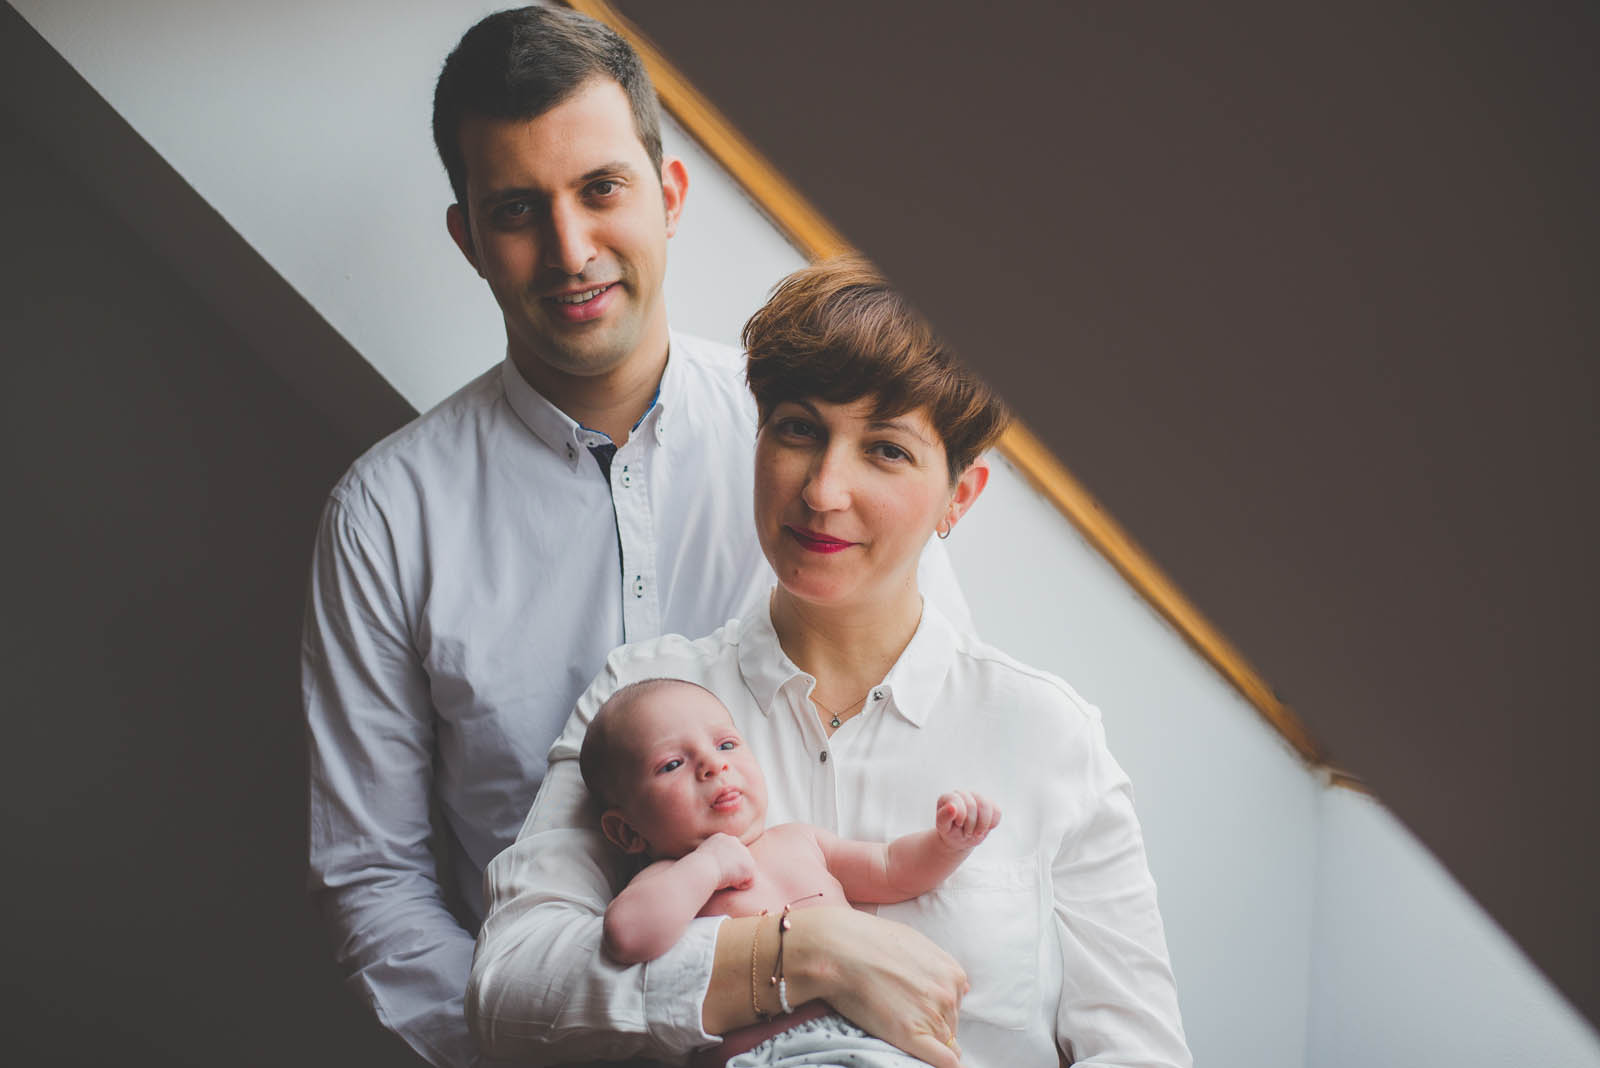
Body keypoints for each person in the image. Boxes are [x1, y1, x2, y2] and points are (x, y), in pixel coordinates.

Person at [301, 7, 970, 1067]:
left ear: (670, 196)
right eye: (517, 209)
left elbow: (938, 732)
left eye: (601, 189)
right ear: (469, 240)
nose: (571, 250)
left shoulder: (825, 453)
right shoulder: (384, 519)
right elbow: (374, 882)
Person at [468, 256, 1193, 1068]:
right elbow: (507, 995)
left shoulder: (1049, 733)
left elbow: (1140, 1055)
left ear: (959, 496)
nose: (822, 491)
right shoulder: (646, 703)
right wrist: (803, 953)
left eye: (886, 450)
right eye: (799, 429)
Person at [581, 676, 1001, 1067]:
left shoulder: (801, 841)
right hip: (772, 1057)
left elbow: (893, 869)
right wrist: (708, 864)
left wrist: (947, 844)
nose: (713, 765)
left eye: (726, 744)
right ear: (627, 831)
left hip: (878, 1043)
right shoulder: (670, 877)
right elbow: (626, 935)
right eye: (672, 764)